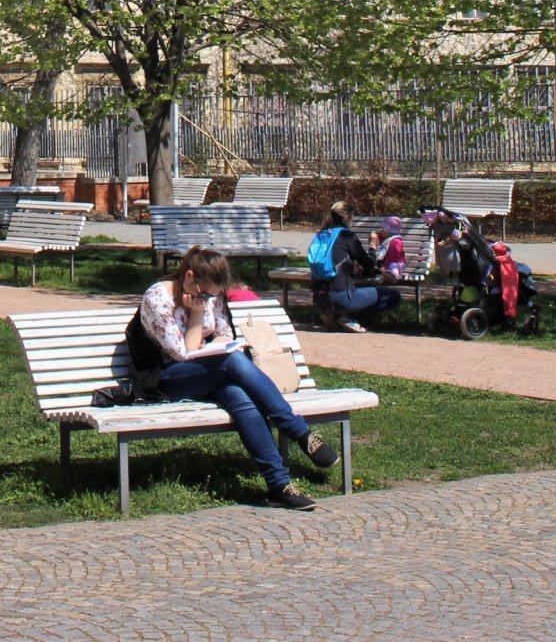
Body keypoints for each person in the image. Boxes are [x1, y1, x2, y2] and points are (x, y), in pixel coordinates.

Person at [135, 246, 335, 510]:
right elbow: (182, 354)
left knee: (239, 396)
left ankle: (279, 486)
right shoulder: (158, 298)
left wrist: (213, 339)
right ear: (189, 276)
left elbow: (225, 333)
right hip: (166, 378)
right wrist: (196, 313)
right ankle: (298, 430)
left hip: (211, 372)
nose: (209, 300)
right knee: (231, 360)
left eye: (214, 296)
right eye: (205, 294)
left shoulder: (211, 294)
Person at [308, 201, 403, 333]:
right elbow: (369, 263)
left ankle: (333, 314)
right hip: (342, 298)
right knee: (394, 296)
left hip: (319, 298)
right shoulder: (347, 236)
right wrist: (372, 246)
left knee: (362, 291)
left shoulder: (321, 235)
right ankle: (345, 317)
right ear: (347, 218)